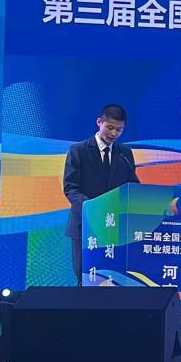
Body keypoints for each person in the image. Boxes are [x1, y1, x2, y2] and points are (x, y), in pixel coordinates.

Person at [63, 104, 140, 284]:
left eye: (119, 130)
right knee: (86, 279)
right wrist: (93, 208)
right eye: (110, 127)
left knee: (114, 280)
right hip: (86, 225)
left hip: (115, 229)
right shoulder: (78, 151)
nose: (113, 133)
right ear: (99, 122)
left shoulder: (125, 154)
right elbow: (71, 188)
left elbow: (132, 188)